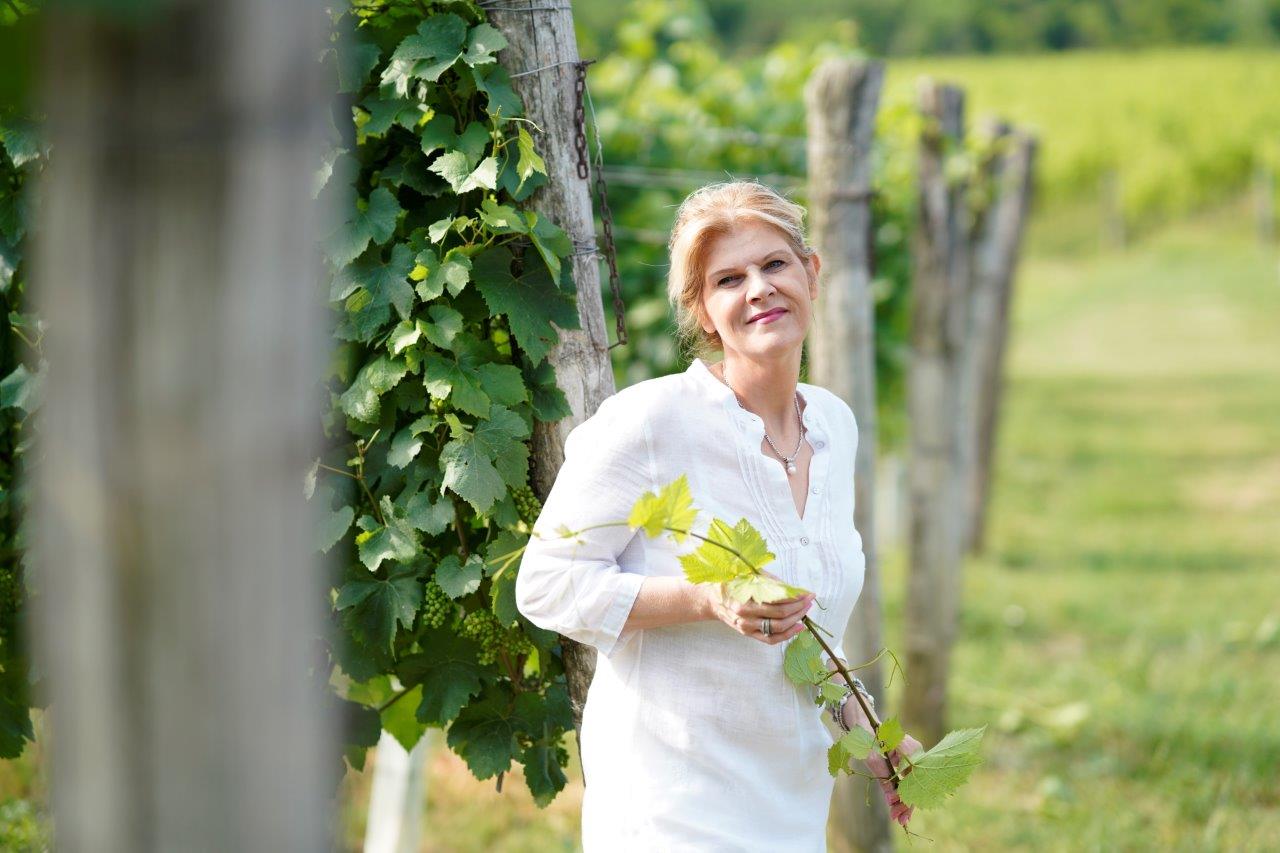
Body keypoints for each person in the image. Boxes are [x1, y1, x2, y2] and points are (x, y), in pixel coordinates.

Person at [515, 181, 921, 850]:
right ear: (704, 312)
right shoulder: (651, 422)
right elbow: (545, 583)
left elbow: (810, 632)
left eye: (774, 264)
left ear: (812, 274)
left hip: (787, 804)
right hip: (671, 805)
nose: (758, 288)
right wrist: (705, 598)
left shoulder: (835, 426)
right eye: (729, 279)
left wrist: (871, 735)